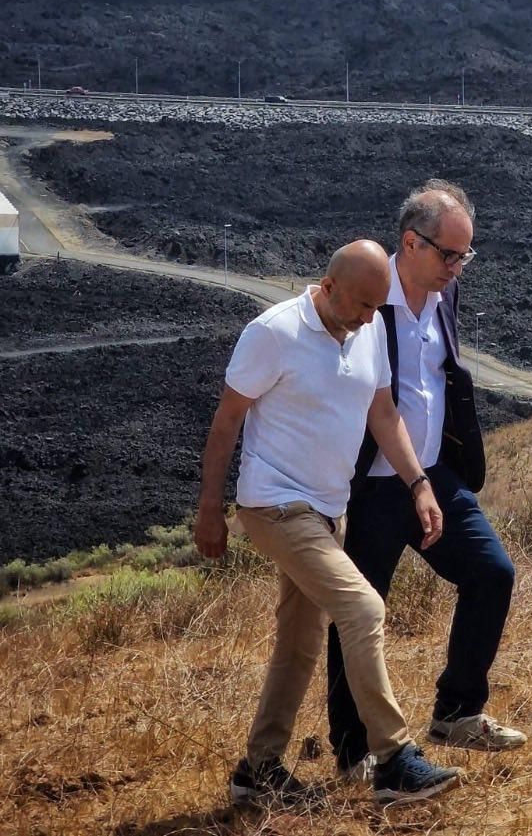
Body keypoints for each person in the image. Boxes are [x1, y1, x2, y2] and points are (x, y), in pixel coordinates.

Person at [194, 239, 462, 810]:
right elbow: (225, 424)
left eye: (376, 307)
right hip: (274, 505)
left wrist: (419, 485)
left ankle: (258, 770)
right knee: (363, 608)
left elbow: (384, 413)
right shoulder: (273, 332)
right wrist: (210, 509)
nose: (369, 319)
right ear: (328, 285)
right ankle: (393, 759)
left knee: (300, 641)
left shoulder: (368, 331)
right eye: (362, 305)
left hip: (327, 511)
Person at [327, 180, 526, 776]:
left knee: (492, 574)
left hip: (435, 473)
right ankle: (353, 750)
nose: (458, 267)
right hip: (372, 485)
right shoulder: (367, 296)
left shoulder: (446, 294)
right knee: (362, 613)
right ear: (410, 243)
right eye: (449, 255)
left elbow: (442, 376)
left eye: (466, 255)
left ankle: (458, 713)